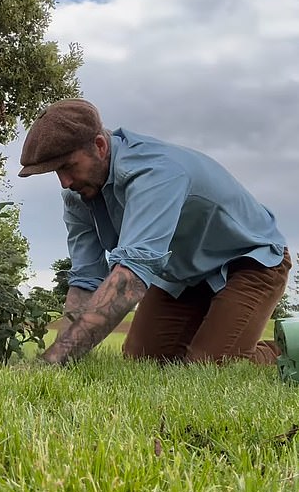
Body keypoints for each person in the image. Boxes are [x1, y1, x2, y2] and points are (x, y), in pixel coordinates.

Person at [18, 98, 292, 366]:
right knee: (143, 360)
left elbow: (130, 281)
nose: (64, 182)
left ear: (100, 146)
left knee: (207, 367)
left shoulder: (155, 174)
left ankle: (288, 348)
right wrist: (63, 356)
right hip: (184, 276)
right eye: (56, 171)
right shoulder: (78, 196)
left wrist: (52, 360)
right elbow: (86, 280)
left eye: (68, 166)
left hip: (249, 262)